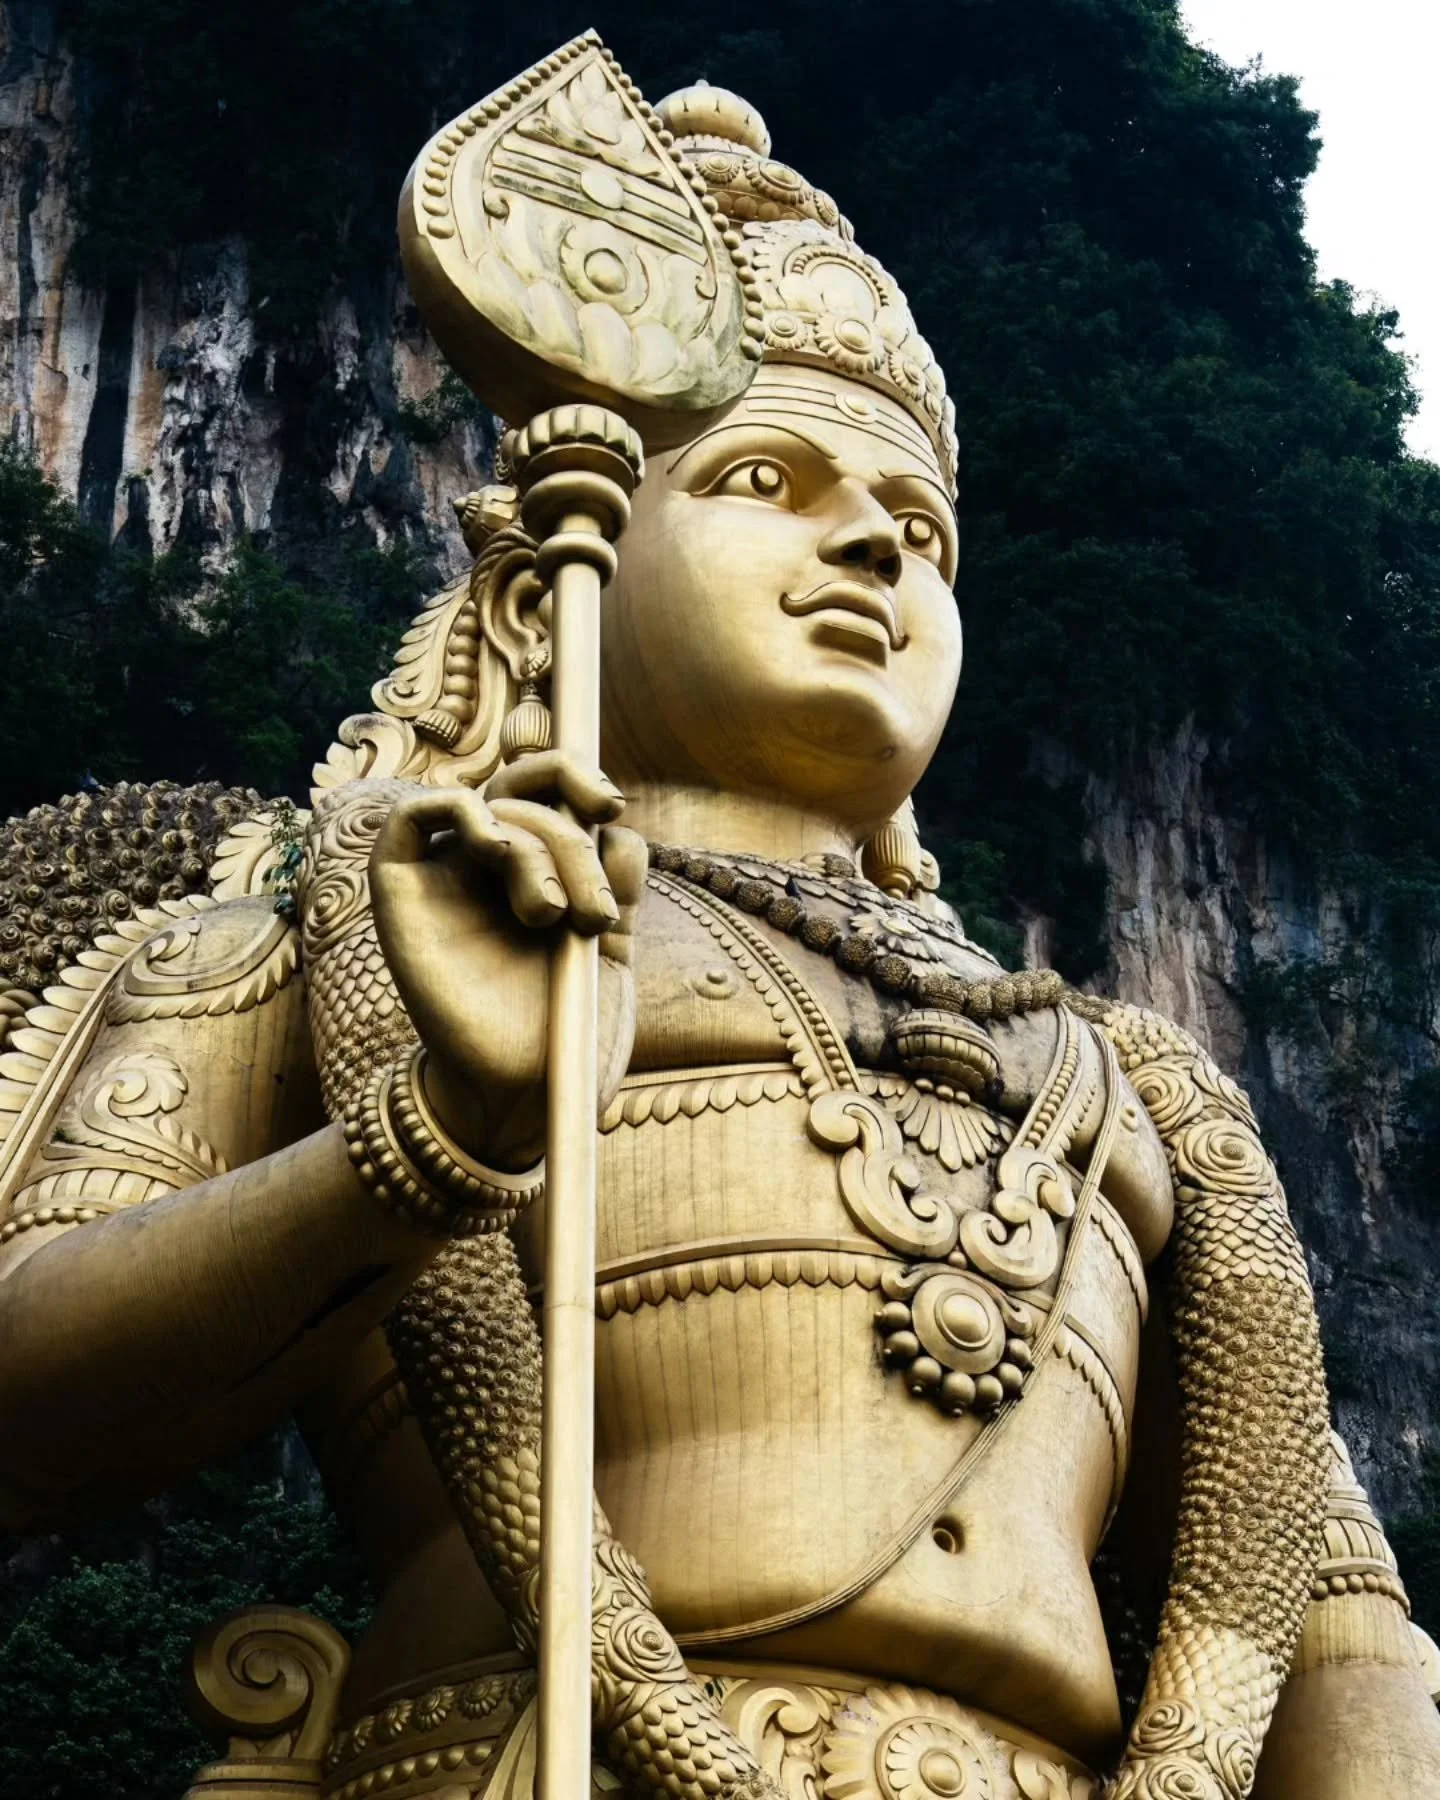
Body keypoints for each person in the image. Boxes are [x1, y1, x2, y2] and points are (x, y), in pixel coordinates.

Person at [0, 74, 1436, 1800]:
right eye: (771, 475)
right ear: (548, 588)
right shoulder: (363, 922)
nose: (869, 549)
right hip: (522, 1758)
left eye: (924, 533)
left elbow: (1330, 1604)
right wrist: (431, 1140)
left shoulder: (1126, 1080)